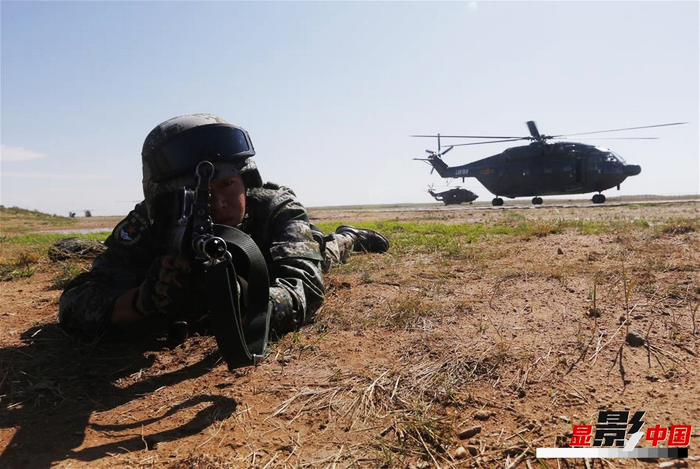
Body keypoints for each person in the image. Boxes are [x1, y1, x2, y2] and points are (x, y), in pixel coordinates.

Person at [58, 113, 389, 346]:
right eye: (196, 196)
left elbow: (305, 289)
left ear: (246, 180)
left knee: (325, 251)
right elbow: (76, 302)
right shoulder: (150, 220)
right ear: (166, 200)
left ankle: (350, 235)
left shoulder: (276, 207)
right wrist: (140, 303)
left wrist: (243, 300)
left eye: (228, 184)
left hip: (269, 261)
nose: (217, 204)